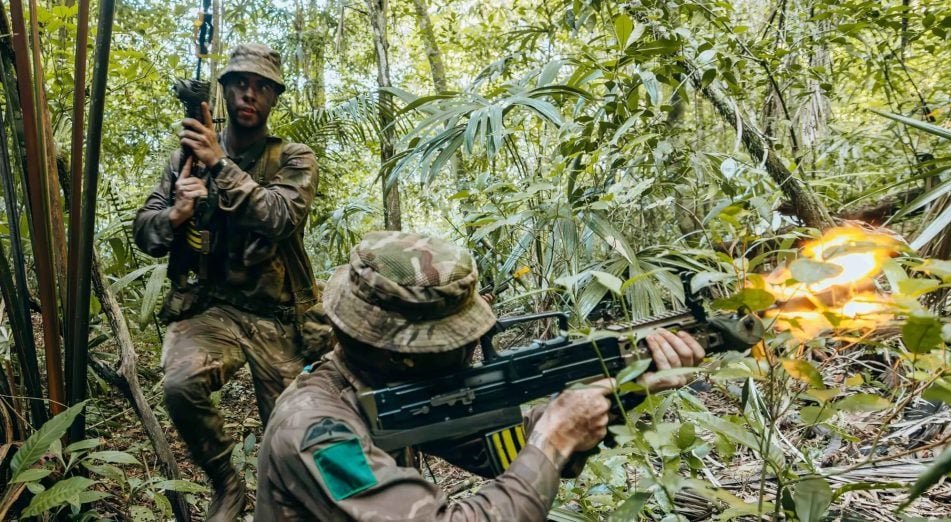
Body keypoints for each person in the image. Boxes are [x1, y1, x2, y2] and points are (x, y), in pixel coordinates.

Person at [254, 231, 705, 521]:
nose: (468, 351)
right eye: (454, 341)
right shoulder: (315, 431)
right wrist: (553, 439)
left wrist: (620, 391)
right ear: (405, 355)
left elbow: (497, 450)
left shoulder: (385, 390)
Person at [134, 43, 318, 521]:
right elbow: (145, 232)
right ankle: (226, 485)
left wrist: (220, 164)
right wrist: (177, 212)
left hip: (277, 321)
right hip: (214, 312)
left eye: (261, 86)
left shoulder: (292, 158)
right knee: (179, 385)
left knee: (293, 437)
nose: (249, 94)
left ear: (274, 97)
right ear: (224, 92)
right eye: (240, 83)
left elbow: (278, 218)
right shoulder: (185, 160)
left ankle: (278, 505)